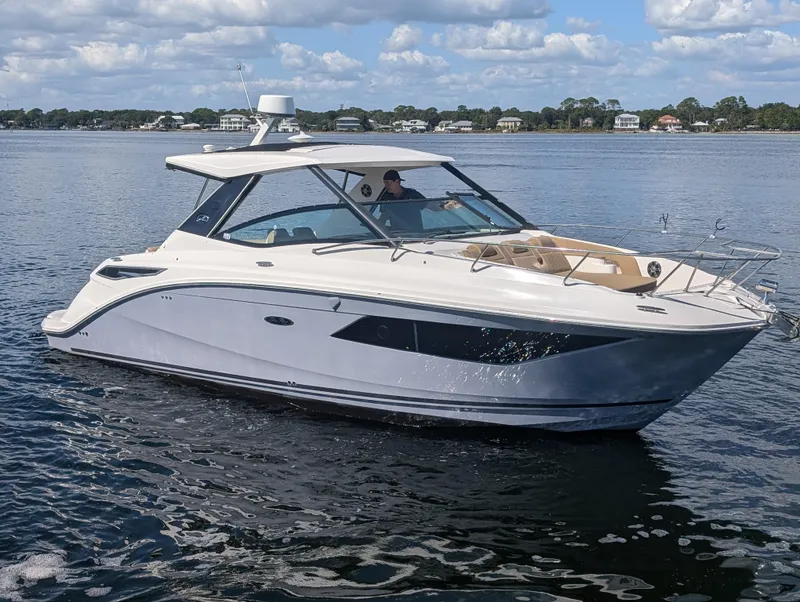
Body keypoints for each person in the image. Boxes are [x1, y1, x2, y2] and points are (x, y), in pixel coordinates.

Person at [378, 169, 460, 233]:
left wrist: (448, 205)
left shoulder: (412, 194)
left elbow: (432, 206)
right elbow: (383, 217)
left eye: (388, 183)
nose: (386, 186)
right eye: (384, 183)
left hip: (416, 233)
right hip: (397, 234)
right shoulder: (385, 197)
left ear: (397, 182)